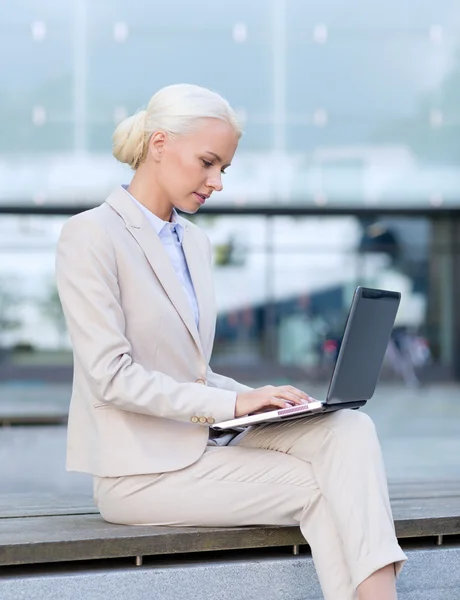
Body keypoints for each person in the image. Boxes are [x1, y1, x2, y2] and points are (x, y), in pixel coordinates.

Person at [55, 83, 407, 600]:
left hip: (203, 441)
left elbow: (187, 368)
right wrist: (230, 401)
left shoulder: (193, 241)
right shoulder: (91, 236)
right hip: (139, 473)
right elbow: (111, 378)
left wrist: (259, 398)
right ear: (158, 145)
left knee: (348, 427)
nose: (217, 182)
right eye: (207, 162)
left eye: (224, 168)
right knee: (326, 490)